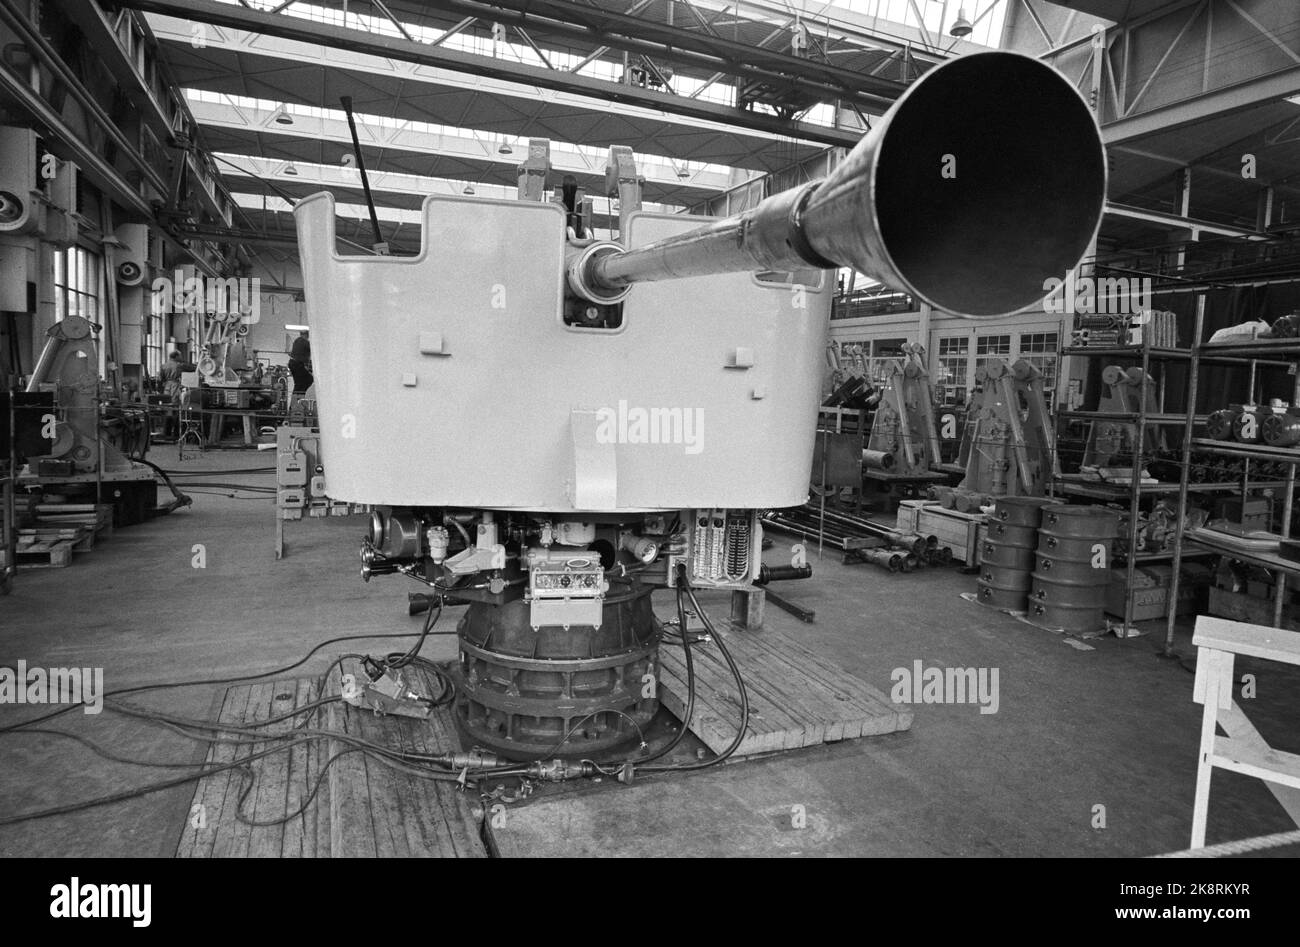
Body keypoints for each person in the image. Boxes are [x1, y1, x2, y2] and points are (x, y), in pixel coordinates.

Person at [287, 330, 314, 416]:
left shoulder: (297, 341)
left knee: (300, 383)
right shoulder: (304, 341)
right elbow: (313, 348)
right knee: (308, 379)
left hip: (294, 363)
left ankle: (297, 399)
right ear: (307, 335)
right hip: (296, 364)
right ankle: (298, 399)